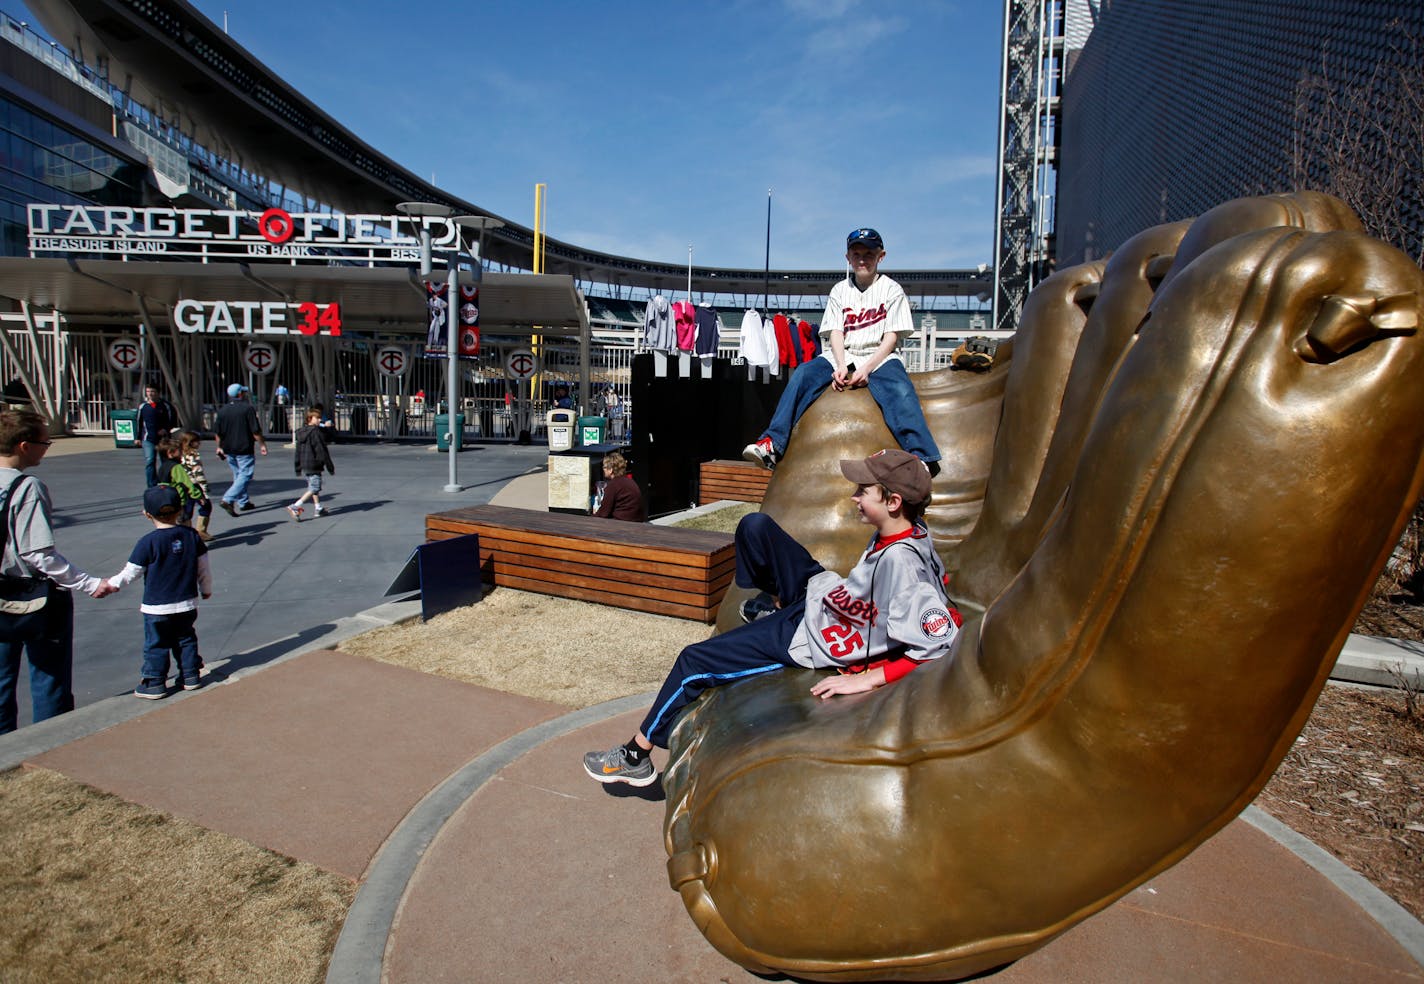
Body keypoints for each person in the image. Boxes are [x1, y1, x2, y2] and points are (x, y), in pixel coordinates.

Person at [583, 449, 961, 787]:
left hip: (809, 636)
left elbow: (936, 645)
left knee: (693, 660)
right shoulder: (903, 532)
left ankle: (636, 755)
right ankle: (774, 602)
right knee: (755, 526)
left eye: (863, 490)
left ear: (893, 501)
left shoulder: (904, 562)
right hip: (821, 596)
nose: (854, 497)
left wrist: (867, 679)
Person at [742, 229, 942, 474]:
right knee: (803, 374)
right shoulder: (839, 290)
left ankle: (920, 456)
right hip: (843, 353)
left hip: (880, 356)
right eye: (856, 253)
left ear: (881, 256)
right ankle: (772, 443)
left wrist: (867, 368)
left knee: (900, 389)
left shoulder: (892, 289)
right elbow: (835, 332)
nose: (862, 259)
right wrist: (839, 364)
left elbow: (891, 337)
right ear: (847, 257)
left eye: (869, 253)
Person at [0, 409, 117, 734]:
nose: (46, 447)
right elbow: (37, 553)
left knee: (1, 680)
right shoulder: (27, 488)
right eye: (44, 442)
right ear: (24, 446)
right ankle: (51, 740)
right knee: (49, 677)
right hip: (32, 595)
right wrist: (89, 583)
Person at [106, 485, 212, 699]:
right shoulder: (192, 536)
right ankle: (190, 675)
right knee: (185, 638)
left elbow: (132, 572)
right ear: (181, 509)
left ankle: (155, 682)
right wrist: (206, 589)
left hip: (157, 606)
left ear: (146, 514)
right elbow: (203, 567)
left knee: (157, 642)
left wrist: (112, 584)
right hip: (186, 602)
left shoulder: (149, 542)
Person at [214, 383, 268, 515]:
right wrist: (262, 444)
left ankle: (243, 501)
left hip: (229, 448)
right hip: (244, 447)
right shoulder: (247, 409)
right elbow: (255, 430)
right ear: (240, 394)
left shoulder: (223, 410)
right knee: (245, 474)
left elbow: (218, 433)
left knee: (237, 475)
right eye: (243, 392)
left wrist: (219, 447)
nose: (244, 394)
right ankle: (228, 498)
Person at [287, 408, 335, 521]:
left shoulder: (302, 432)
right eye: (317, 418)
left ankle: (318, 507)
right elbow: (322, 450)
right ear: (310, 419)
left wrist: (298, 466)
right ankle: (295, 506)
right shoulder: (316, 432)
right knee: (315, 487)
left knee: (313, 486)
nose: (319, 420)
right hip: (315, 463)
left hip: (305, 463)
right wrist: (329, 466)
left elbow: (298, 451)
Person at [137, 384, 180, 488]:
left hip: (163, 439)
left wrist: (165, 429)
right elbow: (138, 422)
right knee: (150, 460)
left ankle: (165, 481)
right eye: (148, 392)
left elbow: (173, 420)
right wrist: (137, 437)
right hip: (148, 438)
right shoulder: (143, 406)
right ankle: (151, 485)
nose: (150, 394)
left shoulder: (166, 406)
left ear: (157, 393)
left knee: (165, 461)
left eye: (152, 391)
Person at [178, 430, 215, 542]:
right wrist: (204, 488)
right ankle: (201, 531)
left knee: (187, 509)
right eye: (197, 442)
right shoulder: (193, 455)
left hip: (184, 484)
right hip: (194, 484)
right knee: (206, 506)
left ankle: (186, 532)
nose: (199, 444)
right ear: (191, 442)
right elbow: (198, 473)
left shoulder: (180, 453)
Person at [154, 437, 200, 526]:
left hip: (167, 500)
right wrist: (197, 495)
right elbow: (186, 483)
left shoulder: (162, 467)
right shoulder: (176, 467)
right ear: (170, 453)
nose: (182, 453)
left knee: (171, 523)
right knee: (185, 523)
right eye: (179, 450)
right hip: (179, 501)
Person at [592, 450, 644, 522]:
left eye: (604, 467)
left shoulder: (614, 485)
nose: (603, 469)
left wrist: (593, 515)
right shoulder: (630, 481)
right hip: (636, 522)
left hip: (622, 524)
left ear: (610, 470)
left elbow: (603, 513)